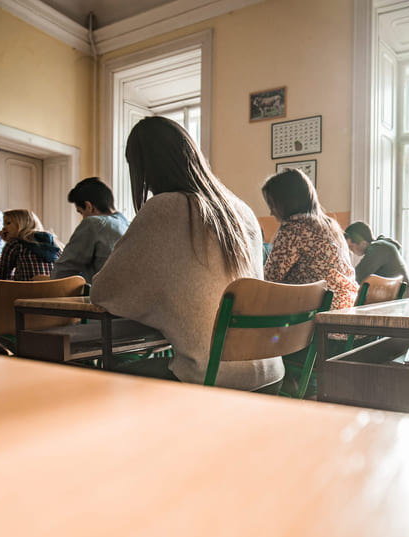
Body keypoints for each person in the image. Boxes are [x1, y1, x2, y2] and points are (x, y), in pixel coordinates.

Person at [90, 116, 283, 389]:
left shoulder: (165, 207)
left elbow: (103, 290)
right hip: (269, 372)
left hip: (213, 377)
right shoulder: (241, 211)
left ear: (144, 167)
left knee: (105, 373)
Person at [262, 169, 359, 310]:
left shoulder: (294, 228)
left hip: (318, 319)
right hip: (343, 314)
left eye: (272, 205)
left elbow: (269, 280)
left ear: (287, 201)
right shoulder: (330, 226)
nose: (271, 212)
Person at [51, 177, 129, 283]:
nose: (83, 217)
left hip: (100, 296)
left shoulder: (93, 223)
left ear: (89, 206)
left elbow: (62, 271)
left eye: (80, 212)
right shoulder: (127, 224)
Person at [343, 221, 409, 297]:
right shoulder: (383, 246)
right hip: (400, 300)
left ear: (363, 243)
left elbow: (356, 277)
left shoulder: (378, 248)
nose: (351, 251)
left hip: (401, 303)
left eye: (351, 247)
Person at [0, 209, 62, 281]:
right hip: (54, 289)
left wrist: (7, 242)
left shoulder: (15, 244)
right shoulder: (54, 243)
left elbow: (1, 276)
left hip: (28, 290)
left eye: (8, 223)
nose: (4, 228)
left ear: (21, 224)